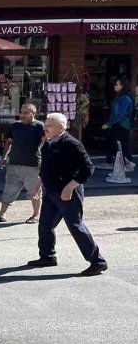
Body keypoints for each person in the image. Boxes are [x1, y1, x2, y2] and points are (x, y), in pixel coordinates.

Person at [28, 112, 108, 276]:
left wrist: (70, 187)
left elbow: (88, 168)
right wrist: (38, 185)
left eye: (49, 126)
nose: (45, 128)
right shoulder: (48, 142)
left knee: (76, 226)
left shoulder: (72, 144)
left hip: (68, 193)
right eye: (45, 125)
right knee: (45, 225)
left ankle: (98, 262)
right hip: (51, 191)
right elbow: (46, 167)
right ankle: (47, 257)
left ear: (61, 127)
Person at [0, 104, 45, 223]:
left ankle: (36, 215)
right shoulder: (15, 126)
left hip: (32, 165)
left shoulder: (40, 126)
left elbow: (46, 143)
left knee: (34, 192)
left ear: (34, 114)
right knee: (9, 190)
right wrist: (4, 157)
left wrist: (45, 161)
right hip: (14, 163)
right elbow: (9, 142)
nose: (22, 115)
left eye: (26, 113)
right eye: (21, 112)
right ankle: (2, 214)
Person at [99, 78, 134, 171]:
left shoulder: (125, 99)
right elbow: (114, 113)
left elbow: (120, 115)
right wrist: (110, 123)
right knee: (113, 143)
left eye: (116, 84)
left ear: (122, 86)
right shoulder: (118, 97)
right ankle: (110, 162)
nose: (114, 86)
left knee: (121, 144)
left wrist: (109, 123)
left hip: (122, 125)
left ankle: (127, 163)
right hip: (116, 124)